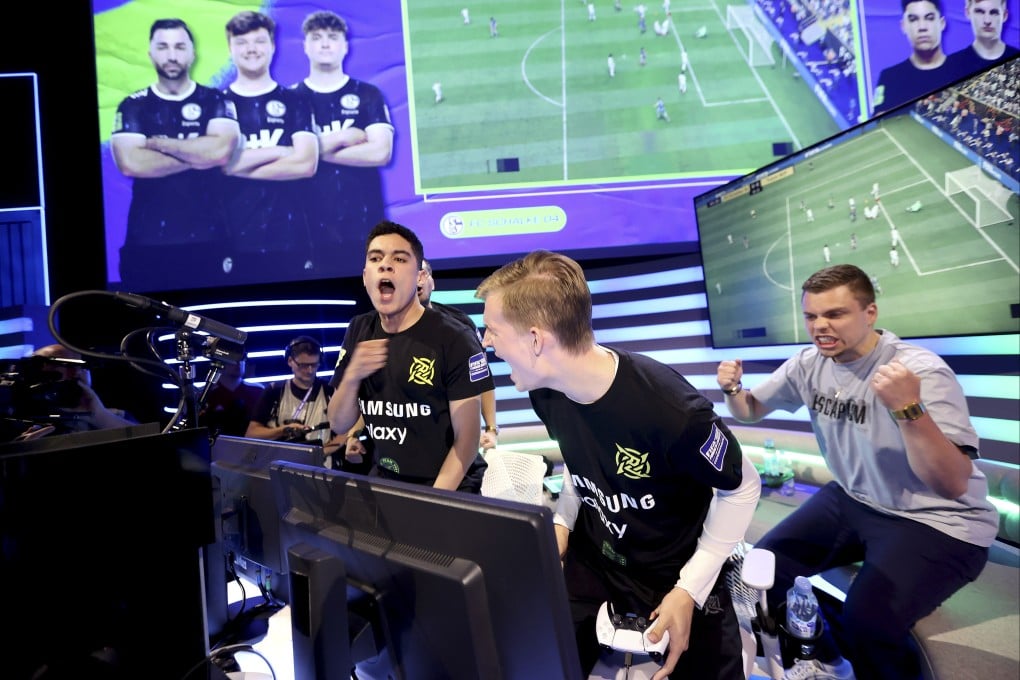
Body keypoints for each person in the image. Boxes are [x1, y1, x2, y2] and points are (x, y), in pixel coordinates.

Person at [475, 251, 760, 680]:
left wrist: (690, 588)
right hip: (598, 558)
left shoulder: (671, 411)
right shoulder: (544, 390)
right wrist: (562, 523)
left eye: (493, 330)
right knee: (534, 659)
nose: (486, 342)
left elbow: (742, 486)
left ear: (536, 340)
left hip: (675, 568)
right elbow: (584, 462)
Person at [716, 264, 997, 680]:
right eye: (811, 316)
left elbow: (952, 483)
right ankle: (824, 659)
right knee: (760, 572)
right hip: (854, 498)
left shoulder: (919, 371)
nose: (820, 326)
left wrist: (908, 408)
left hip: (938, 520)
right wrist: (732, 390)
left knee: (868, 620)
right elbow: (750, 410)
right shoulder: (809, 363)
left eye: (835, 314)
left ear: (870, 313)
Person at [327, 221, 495, 492]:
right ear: (365, 276)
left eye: (399, 258)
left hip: (449, 487)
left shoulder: (454, 337)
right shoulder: (359, 329)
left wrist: (432, 504)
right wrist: (352, 376)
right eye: (376, 258)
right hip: (388, 479)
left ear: (419, 276)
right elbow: (338, 423)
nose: (385, 265)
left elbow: (467, 439)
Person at [110, 18, 241, 290]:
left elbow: (220, 153)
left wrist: (162, 144)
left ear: (193, 53)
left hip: (210, 240)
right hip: (147, 243)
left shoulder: (215, 100)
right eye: (163, 47)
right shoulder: (133, 105)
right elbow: (132, 163)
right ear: (150, 53)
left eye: (180, 47)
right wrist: (199, 153)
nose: (172, 55)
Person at [293, 10, 395, 276]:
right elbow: (288, 157)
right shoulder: (291, 98)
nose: (325, 44)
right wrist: (342, 137)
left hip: (365, 224)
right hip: (308, 227)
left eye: (333, 37)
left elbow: (380, 152)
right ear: (305, 46)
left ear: (345, 46)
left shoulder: (368, 94)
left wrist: (311, 152)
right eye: (317, 37)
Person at [221, 11, 319, 282]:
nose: (251, 49)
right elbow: (218, 166)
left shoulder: (296, 101)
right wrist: (281, 151)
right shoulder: (216, 104)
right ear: (230, 48)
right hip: (231, 241)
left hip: (291, 239)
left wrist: (237, 164)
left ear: (273, 46)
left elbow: (306, 164)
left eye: (259, 41)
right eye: (242, 42)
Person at [418, 258, 499, 451]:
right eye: (411, 274)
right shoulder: (380, 330)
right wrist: (354, 433)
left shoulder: (461, 324)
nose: (417, 279)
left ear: (432, 282)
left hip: (460, 441)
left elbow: (481, 377)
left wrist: (491, 429)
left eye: (423, 273)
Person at [246, 336, 342, 464]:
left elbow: (346, 430)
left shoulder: (330, 390)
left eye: (314, 365)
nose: (310, 370)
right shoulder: (274, 391)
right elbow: (251, 433)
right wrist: (283, 430)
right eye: (303, 365)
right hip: (279, 464)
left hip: (320, 465)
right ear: (290, 361)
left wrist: (322, 452)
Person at [872, 0, 958, 115]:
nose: (922, 27)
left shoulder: (962, 69)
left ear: (942, 23)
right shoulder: (890, 78)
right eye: (913, 19)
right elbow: (880, 120)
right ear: (903, 26)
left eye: (929, 18)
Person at [946, 0, 1019, 75]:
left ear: (1004, 15)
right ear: (968, 13)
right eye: (980, 12)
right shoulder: (951, 66)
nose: (987, 21)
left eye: (994, 12)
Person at [199, 358, 264, 437]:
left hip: (250, 443)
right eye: (233, 358)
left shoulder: (258, 391)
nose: (239, 363)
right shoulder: (204, 394)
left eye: (242, 358)